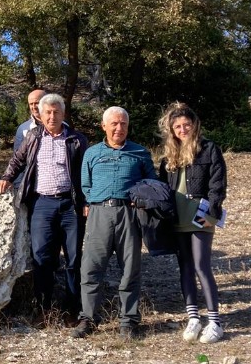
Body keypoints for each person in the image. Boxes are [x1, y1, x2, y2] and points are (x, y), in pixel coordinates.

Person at [0, 93, 88, 314]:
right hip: (42, 205)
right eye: (48, 112)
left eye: (56, 112)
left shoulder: (77, 140)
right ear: (41, 114)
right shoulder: (34, 137)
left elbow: (86, 173)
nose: (52, 116)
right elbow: (18, 159)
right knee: (41, 257)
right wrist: (7, 177)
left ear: (63, 114)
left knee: (74, 258)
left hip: (70, 204)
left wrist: (86, 201)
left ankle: (73, 310)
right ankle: (43, 309)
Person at [72, 106, 157, 340]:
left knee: (130, 269)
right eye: (114, 124)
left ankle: (128, 321)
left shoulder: (140, 152)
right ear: (104, 126)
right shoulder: (92, 153)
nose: (119, 128)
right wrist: (93, 203)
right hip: (99, 214)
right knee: (90, 267)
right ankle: (88, 318)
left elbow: (153, 184)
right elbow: (85, 184)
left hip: (129, 215)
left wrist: (140, 201)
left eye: (123, 124)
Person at [158, 102, 228, 344]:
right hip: (177, 216)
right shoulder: (168, 154)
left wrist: (212, 210)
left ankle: (215, 321)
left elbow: (217, 185)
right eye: (177, 126)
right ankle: (193, 317)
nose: (182, 129)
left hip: (201, 214)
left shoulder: (209, 149)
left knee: (201, 265)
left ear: (194, 124)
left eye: (186, 124)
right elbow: (162, 187)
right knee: (185, 266)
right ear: (171, 129)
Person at [14, 88, 46, 153]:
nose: (34, 107)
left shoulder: (61, 126)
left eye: (37, 103)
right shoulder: (23, 128)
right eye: (31, 104)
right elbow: (17, 156)